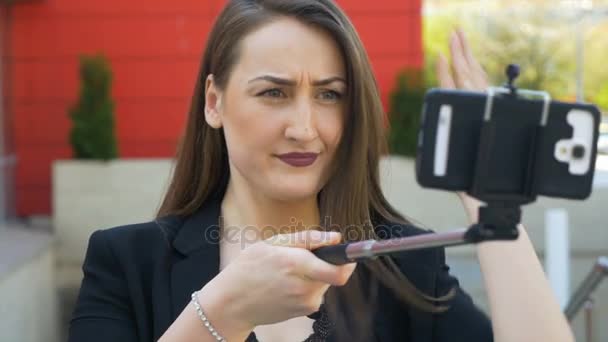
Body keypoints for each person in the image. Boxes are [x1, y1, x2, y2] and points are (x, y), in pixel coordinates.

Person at [67, 1, 575, 341]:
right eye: (274, 93)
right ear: (214, 102)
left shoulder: (405, 265)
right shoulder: (125, 263)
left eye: (330, 94)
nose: (305, 129)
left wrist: (491, 202)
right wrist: (222, 312)